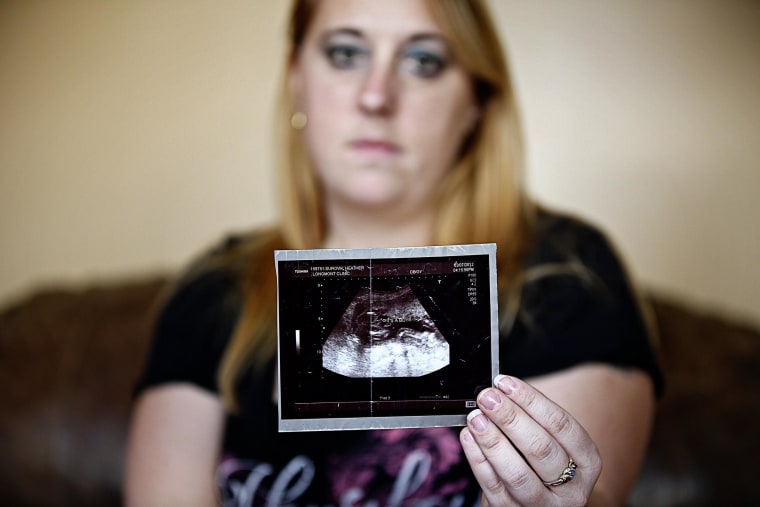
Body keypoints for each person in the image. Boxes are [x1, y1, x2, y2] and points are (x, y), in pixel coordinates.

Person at [124, 0, 663, 505]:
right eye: (345, 53)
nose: (376, 96)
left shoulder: (565, 275)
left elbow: (579, 486)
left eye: (423, 60)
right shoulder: (216, 291)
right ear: (296, 78)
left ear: (475, 98)